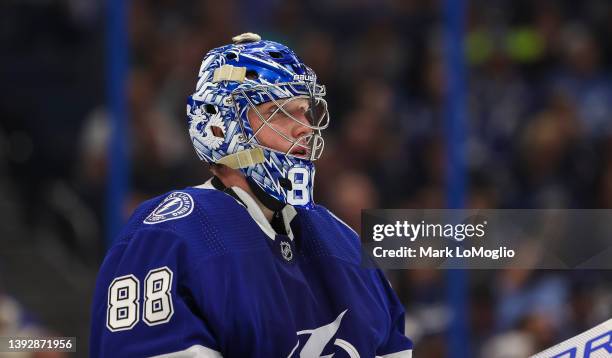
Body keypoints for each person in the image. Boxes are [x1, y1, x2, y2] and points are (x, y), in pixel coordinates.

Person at [90, 33, 413, 358]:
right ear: (220, 126)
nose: (304, 128)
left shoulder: (344, 241)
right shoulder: (168, 237)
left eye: (305, 111)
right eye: (280, 112)